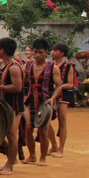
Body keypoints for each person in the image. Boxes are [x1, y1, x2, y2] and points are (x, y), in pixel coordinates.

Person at [22, 38, 60, 166]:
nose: (38, 55)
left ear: (46, 53)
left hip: (45, 101)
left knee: (43, 130)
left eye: (41, 52)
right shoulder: (27, 66)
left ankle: (43, 157)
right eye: (36, 52)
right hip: (29, 100)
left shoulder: (53, 67)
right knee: (28, 128)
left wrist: (53, 98)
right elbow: (22, 83)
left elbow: (59, 85)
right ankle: (32, 155)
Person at [0, 37, 24, 176]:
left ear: (3, 50)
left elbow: (18, 87)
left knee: (11, 136)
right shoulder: (4, 65)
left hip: (13, 106)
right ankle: (12, 158)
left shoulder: (14, 67)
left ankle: (10, 164)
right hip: (3, 105)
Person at [49, 42, 77, 157]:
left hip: (64, 95)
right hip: (51, 94)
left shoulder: (68, 66)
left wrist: (59, 86)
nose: (52, 52)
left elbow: (70, 84)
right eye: (52, 50)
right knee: (45, 121)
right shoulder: (50, 65)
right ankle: (54, 145)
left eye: (55, 50)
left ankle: (60, 149)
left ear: (62, 53)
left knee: (62, 121)